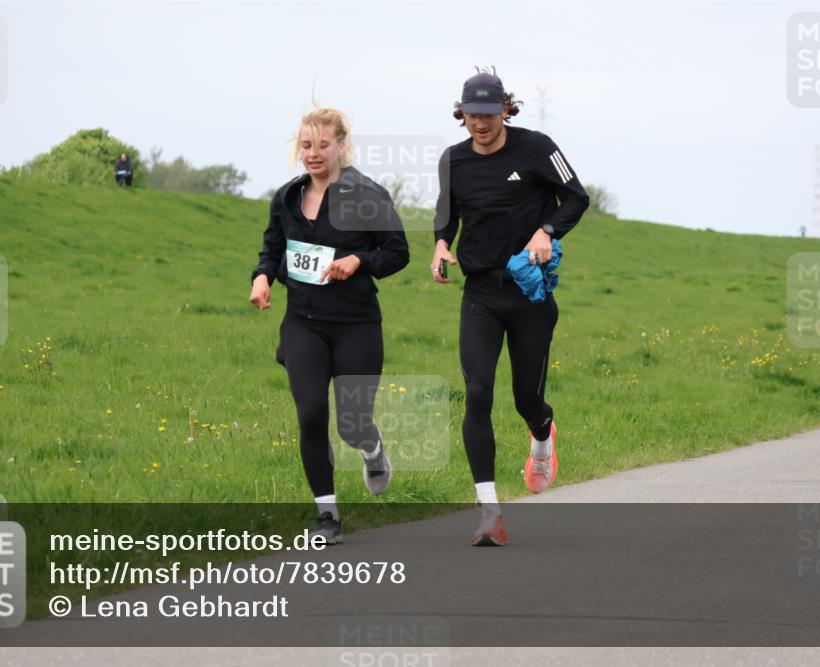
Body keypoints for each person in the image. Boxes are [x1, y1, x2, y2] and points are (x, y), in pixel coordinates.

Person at [432, 69, 589, 546]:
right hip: (480, 292)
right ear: (462, 114)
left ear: (505, 109)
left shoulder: (537, 148)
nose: (480, 123)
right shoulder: (454, 160)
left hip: (529, 294)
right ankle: (489, 513)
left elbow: (577, 198)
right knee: (477, 392)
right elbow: (448, 213)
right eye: (472, 115)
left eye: (489, 114)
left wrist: (546, 231)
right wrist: (441, 244)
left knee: (527, 400)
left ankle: (542, 437)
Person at [250, 108, 410, 544]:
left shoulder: (367, 194)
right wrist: (262, 277)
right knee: (311, 414)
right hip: (303, 324)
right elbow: (272, 249)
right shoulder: (287, 197)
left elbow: (397, 252)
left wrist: (359, 260)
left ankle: (372, 449)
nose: (313, 153)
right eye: (306, 145)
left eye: (323, 145)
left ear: (341, 146)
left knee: (351, 425)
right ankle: (327, 516)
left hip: (356, 324)